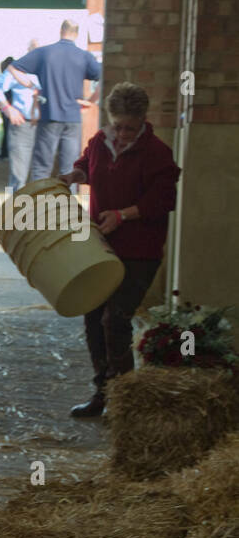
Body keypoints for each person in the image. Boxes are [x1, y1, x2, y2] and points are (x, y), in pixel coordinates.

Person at [58, 82, 181, 418]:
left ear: (143, 120)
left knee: (116, 318)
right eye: (118, 126)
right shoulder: (100, 141)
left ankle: (126, 401)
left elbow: (162, 201)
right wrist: (74, 175)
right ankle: (102, 392)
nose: (123, 133)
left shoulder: (157, 153)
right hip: (101, 246)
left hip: (140, 250)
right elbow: (87, 165)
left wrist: (122, 215)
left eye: (131, 127)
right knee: (93, 315)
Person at [9, 20, 102, 183]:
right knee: (70, 169)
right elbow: (104, 76)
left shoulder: (44, 53)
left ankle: (38, 205)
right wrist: (91, 101)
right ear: (77, 34)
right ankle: (67, 207)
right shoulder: (84, 56)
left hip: (49, 115)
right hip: (73, 118)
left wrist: (31, 86)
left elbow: (13, 68)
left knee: (42, 167)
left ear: (61, 31)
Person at [0, 53, 40, 192]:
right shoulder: (18, 72)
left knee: (42, 174)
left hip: (50, 126)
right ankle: (15, 211)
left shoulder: (51, 70)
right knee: (18, 175)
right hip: (23, 123)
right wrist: (7, 108)